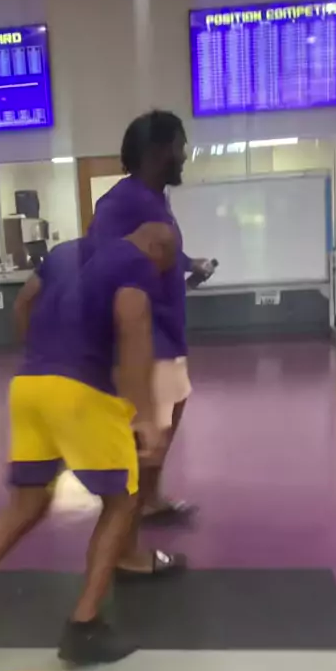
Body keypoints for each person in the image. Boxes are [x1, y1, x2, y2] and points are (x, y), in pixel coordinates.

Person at [0, 222, 177, 671]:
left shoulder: (66, 252)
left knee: (26, 505)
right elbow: (133, 325)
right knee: (124, 500)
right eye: (165, 267)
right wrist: (148, 415)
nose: (161, 276)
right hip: (80, 391)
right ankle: (84, 626)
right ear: (156, 246)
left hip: (29, 385)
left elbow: (23, 303)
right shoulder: (136, 264)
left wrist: (41, 357)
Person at [88, 110, 215, 576]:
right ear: (158, 151)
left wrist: (188, 264)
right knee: (142, 448)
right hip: (146, 344)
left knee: (162, 436)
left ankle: (153, 501)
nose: (185, 155)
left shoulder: (155, 199)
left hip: (169, 337)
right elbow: (104, 265)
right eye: (180, 146)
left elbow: (158, 249)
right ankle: (126, 553)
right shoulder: (119, 203)